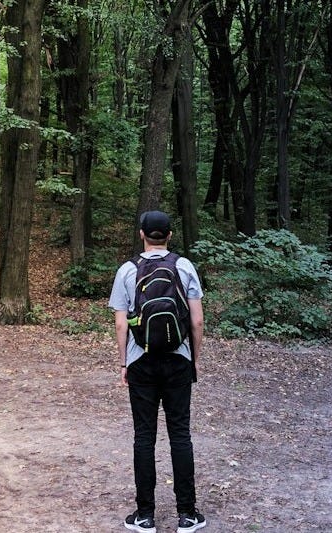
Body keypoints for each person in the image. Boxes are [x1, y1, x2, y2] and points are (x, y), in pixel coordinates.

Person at [109, 210, 207, 533]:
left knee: (144, 436)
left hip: (141, 361)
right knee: (180, 434)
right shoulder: (184, 266)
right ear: (169, 235)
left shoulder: (127, 270)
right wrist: (194, 359)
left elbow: (121, 324)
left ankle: (145, 515)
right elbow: (197, 321)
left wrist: (124, 362)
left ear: (142, 234)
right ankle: (187, 514)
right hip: (178, 360)